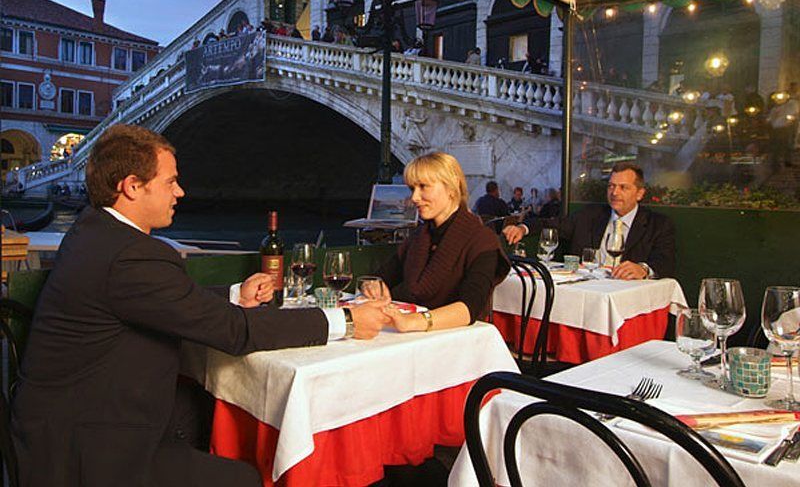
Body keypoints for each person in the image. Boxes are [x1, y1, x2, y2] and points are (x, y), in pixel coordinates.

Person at [11, 124, 388, 487]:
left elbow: (163, 300)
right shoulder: (130, 255)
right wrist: (346, 320)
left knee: (200, 413)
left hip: (72, 421)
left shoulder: (95, 232)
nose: (181, 192)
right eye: (170, 182)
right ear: (131, 187)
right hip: (87, 451)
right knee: (244, 479)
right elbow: (236, 332)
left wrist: (234, 294)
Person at [362, 152, 509, 332]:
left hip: (453, 342)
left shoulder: (482, 240)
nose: (414, 197)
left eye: (423, 186)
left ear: (451, 187)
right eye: (412, 188)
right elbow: (382, 277)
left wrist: (412, 322)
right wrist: (373, 286)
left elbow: (470, 308)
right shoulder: (417, 237)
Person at [503, 162, 676, 280]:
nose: (615, 193)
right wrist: (522, 228)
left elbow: (665, 261)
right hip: (586, 294)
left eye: (623, 187)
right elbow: (552, 225)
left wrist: (643, 269)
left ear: (639, 193)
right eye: (611, 186)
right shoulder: (590, 215)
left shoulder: (658, 224)